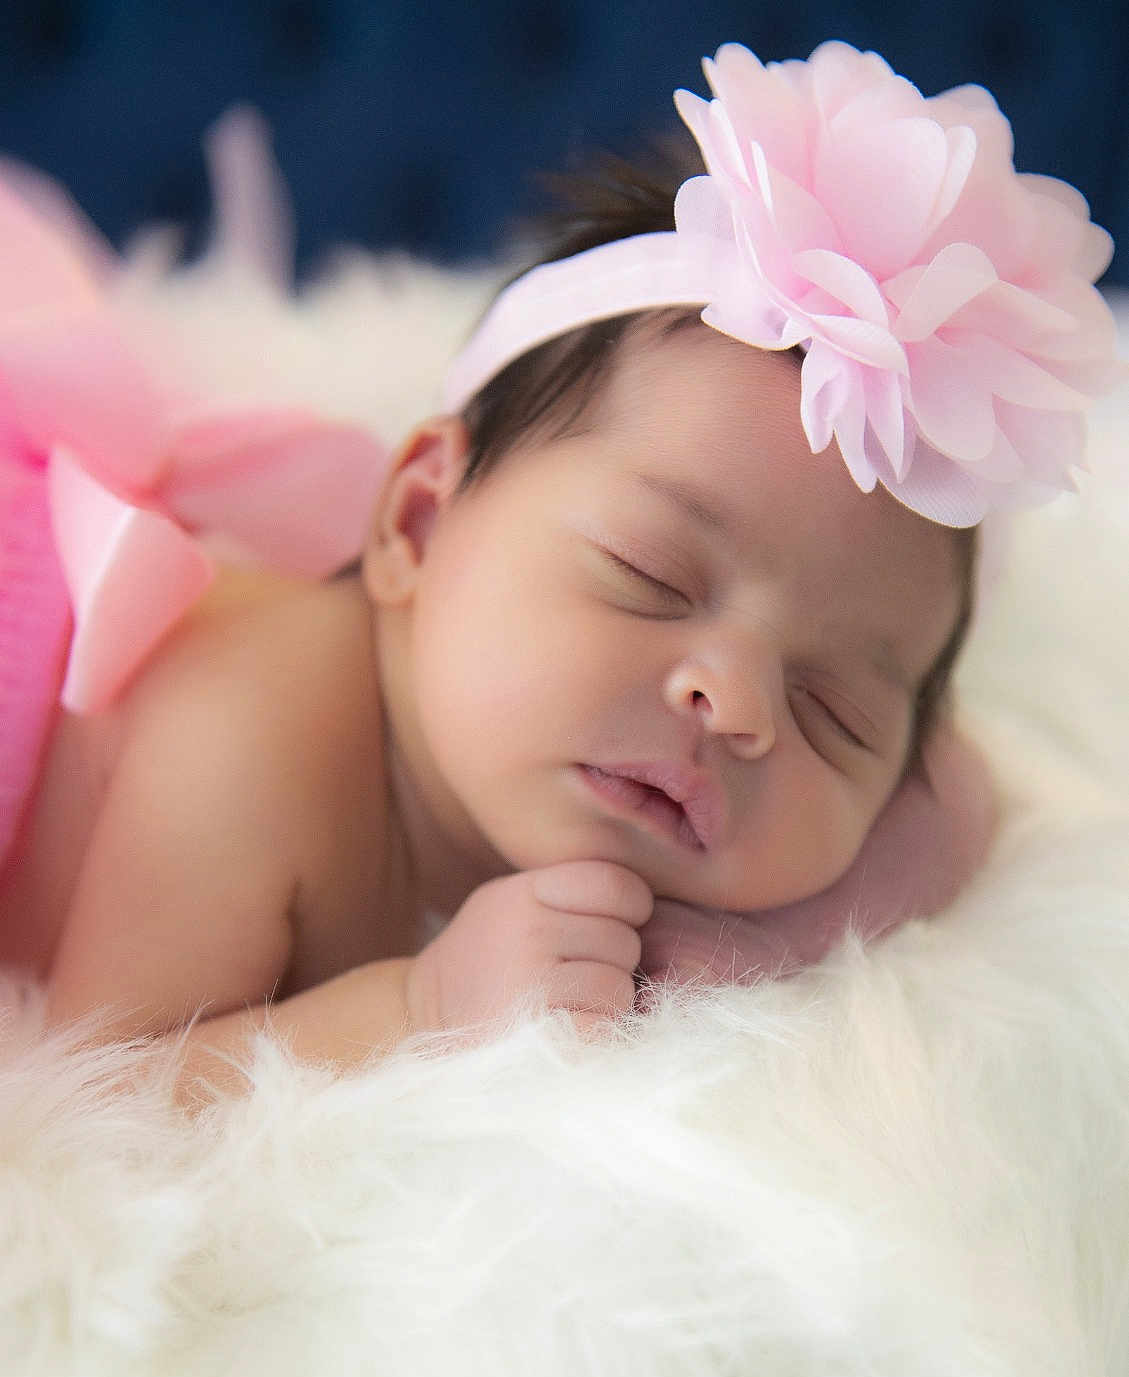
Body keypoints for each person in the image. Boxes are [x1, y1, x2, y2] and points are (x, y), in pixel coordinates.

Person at [0, 41, 1116, 1092]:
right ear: (421, 523)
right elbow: (101, 1101)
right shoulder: (256, 731)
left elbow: (949, 803)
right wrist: (419, 1008)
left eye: (834, 713)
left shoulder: (551, 763)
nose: (732, 703)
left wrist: (746, 942)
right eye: (651, 577)